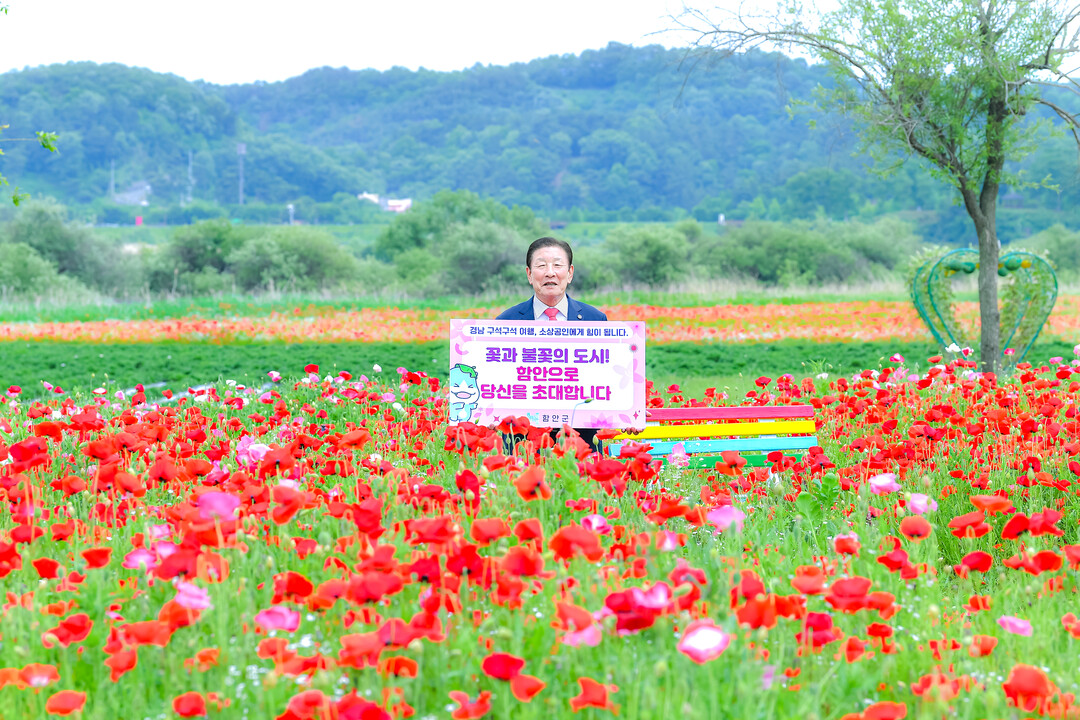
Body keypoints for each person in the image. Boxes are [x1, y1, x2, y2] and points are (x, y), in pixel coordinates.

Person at [497, 237, 605, 452]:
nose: (550, 273)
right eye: (541, 266)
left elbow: (605, 378)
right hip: (523, 443)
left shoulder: (595, 319)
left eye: (557, 265)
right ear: (529, 274)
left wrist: (630, 410)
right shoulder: (505, 322)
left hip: (582, 442)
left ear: (570, 273)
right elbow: (497, 379)